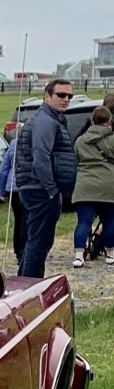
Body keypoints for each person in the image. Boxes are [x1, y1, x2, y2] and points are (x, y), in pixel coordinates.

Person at [14, 79, 77, 278]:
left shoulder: (52, 119)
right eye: (61, 95)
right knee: (39, 243)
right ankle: (31, 284)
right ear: (47, 96)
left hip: (37, 187)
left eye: (69, 96)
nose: (66, 99)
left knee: (35, 240)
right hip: (40, 189)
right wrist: (51, 189)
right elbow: (40, 157)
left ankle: (24, 283)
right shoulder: (45, 121)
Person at [71, 105, 114, 267]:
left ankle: (79, 256)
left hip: (85, 185)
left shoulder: (80, 140)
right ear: (109, 120)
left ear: (92, 120)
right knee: (109, 221)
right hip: (108, 185)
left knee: (84, 222)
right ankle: (110, 254)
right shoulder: (112, 139)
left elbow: (76, 163)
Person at [0, 139, 25, 258]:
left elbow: (3, 170)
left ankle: (18, 249)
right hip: (27, 186)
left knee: (18, 219)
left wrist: (2, 192)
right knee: (26, 219)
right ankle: (24, 249)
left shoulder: (14, 143)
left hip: (13, 188)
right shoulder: (36, 141)